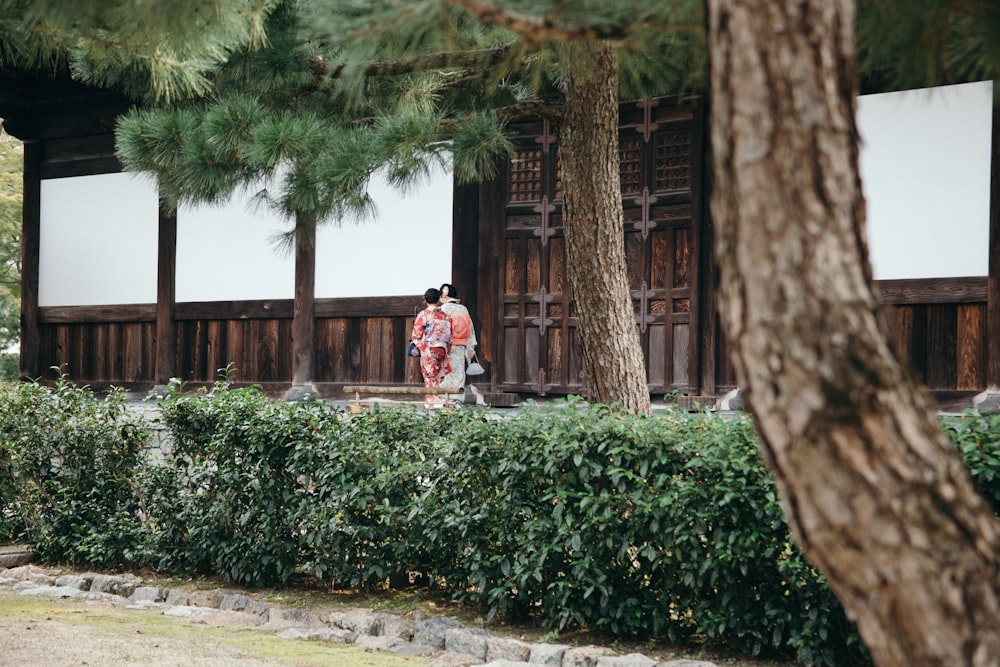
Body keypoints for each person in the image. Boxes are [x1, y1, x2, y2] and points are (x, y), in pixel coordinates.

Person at [411, 287, 452, 408]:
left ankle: (433, 401)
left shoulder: (424, 315)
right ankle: (437, 399)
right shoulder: (444, 315)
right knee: (438, 375)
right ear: (439, 299)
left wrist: (424, 349)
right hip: (442, 348)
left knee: (429, 375)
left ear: (425, 299)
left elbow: (416, 335)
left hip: (429, 348)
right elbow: (449, 335)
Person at [438, 283, 478, 402]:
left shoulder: (444, 309)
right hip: (462, 346)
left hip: (448, 346)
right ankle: (456, 400)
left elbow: (440, 330)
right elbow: (470, 329)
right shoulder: (463, 308)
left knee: (446, 372)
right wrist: (470, 348)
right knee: (459, 374)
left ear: (444, 295)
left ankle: (443, 400)